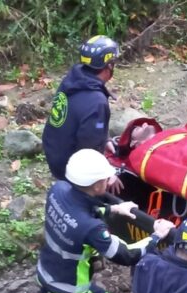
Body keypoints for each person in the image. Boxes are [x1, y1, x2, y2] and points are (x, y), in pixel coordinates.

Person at [22, 149, 167, 293]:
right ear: (97, 185)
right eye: (105, 179)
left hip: (47, 274)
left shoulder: (57, 190)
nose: (108, 182)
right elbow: (126, 254)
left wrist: (114, 209)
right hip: (72, 286)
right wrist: (156, 236)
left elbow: (79, 208)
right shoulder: (92, 229)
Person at [42, 35, 123, 193]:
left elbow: (78, 117)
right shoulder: (96, 101)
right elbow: (88, 150)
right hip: (68, 166)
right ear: (109, 66)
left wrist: (104, 139)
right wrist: (107, 173)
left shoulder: (73, 79)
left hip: (53, 150)